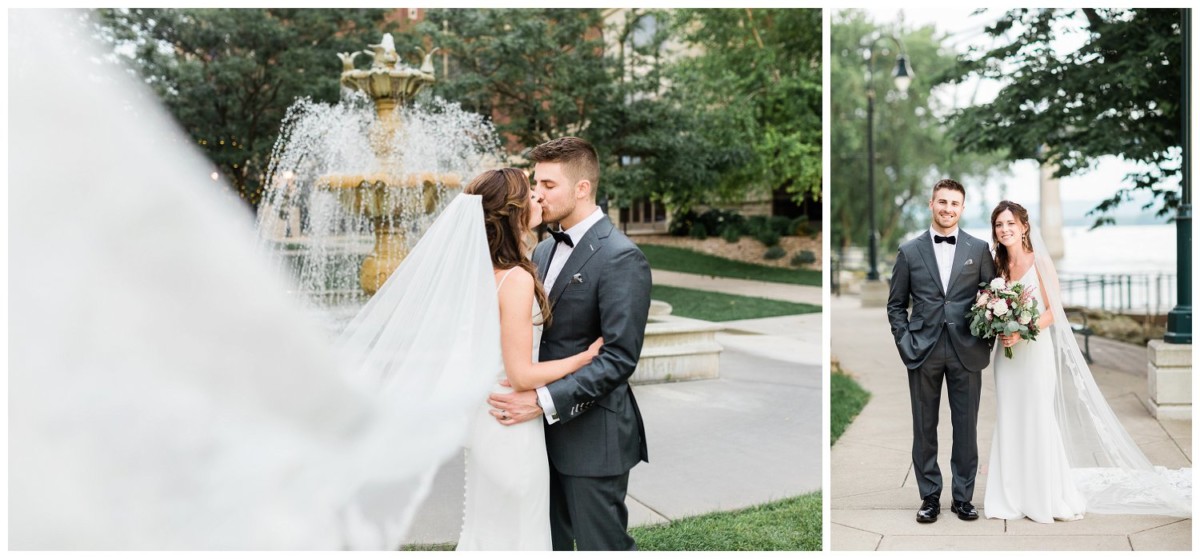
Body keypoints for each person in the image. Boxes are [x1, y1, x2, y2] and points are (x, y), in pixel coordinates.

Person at [487, 137, 652, 551]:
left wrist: (541, 400)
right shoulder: (540, 251)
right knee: (549, 544)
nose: (537, 195)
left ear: (582, 188)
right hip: (534, 439)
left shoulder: (621, 257)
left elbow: (617, 359)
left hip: (593, 437)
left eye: (548, 185)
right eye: (535, 183)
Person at [983, 200, 1190, 522]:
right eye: (999, 225)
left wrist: (1023, 332)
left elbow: (1055, 310)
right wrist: (997, 325)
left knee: (1037, 418)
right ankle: (1010, 494)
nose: (1005, 229)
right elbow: (989, 305)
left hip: (1034, 353)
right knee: (1010, 418)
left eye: (1010, 223)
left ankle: (1044, 496)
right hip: (1006, 359)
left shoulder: (1038, 262)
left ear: (1024, 227)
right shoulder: (997, 267)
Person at [454, 168, 602, 550]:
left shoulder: (476, 273)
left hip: (487, 417)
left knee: (488, 533)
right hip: (512, 425)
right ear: (514, 212)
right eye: (530, 193)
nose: (538, 197)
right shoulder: (515, 279)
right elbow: (521, 374)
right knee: (521, 536)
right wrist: (583, 358)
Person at [886, 179, 997, 524]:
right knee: (924, 427)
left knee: (966, 428)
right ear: (931, 204)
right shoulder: (909, 251)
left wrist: (986, 340)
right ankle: (930, 497)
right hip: (923, 350)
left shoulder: (979, 250)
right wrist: (906, 344)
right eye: (942, 202)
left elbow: (993, 298)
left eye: (955, 203)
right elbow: (895, 306)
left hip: (967, 351)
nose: (948, 208)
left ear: (962, 208)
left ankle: (963, 498)